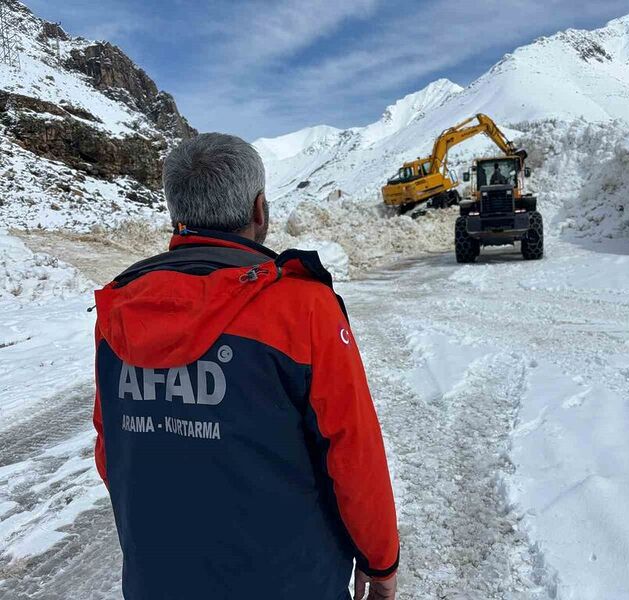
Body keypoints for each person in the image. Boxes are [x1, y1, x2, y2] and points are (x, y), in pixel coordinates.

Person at [92, 133, 399, 600]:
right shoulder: (301, 306)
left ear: (177, 213)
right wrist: (380, 563)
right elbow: (354, 452)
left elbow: (111, 449)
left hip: (158, 580)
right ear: (260, 210)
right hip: (291, 582)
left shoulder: (121, 306)